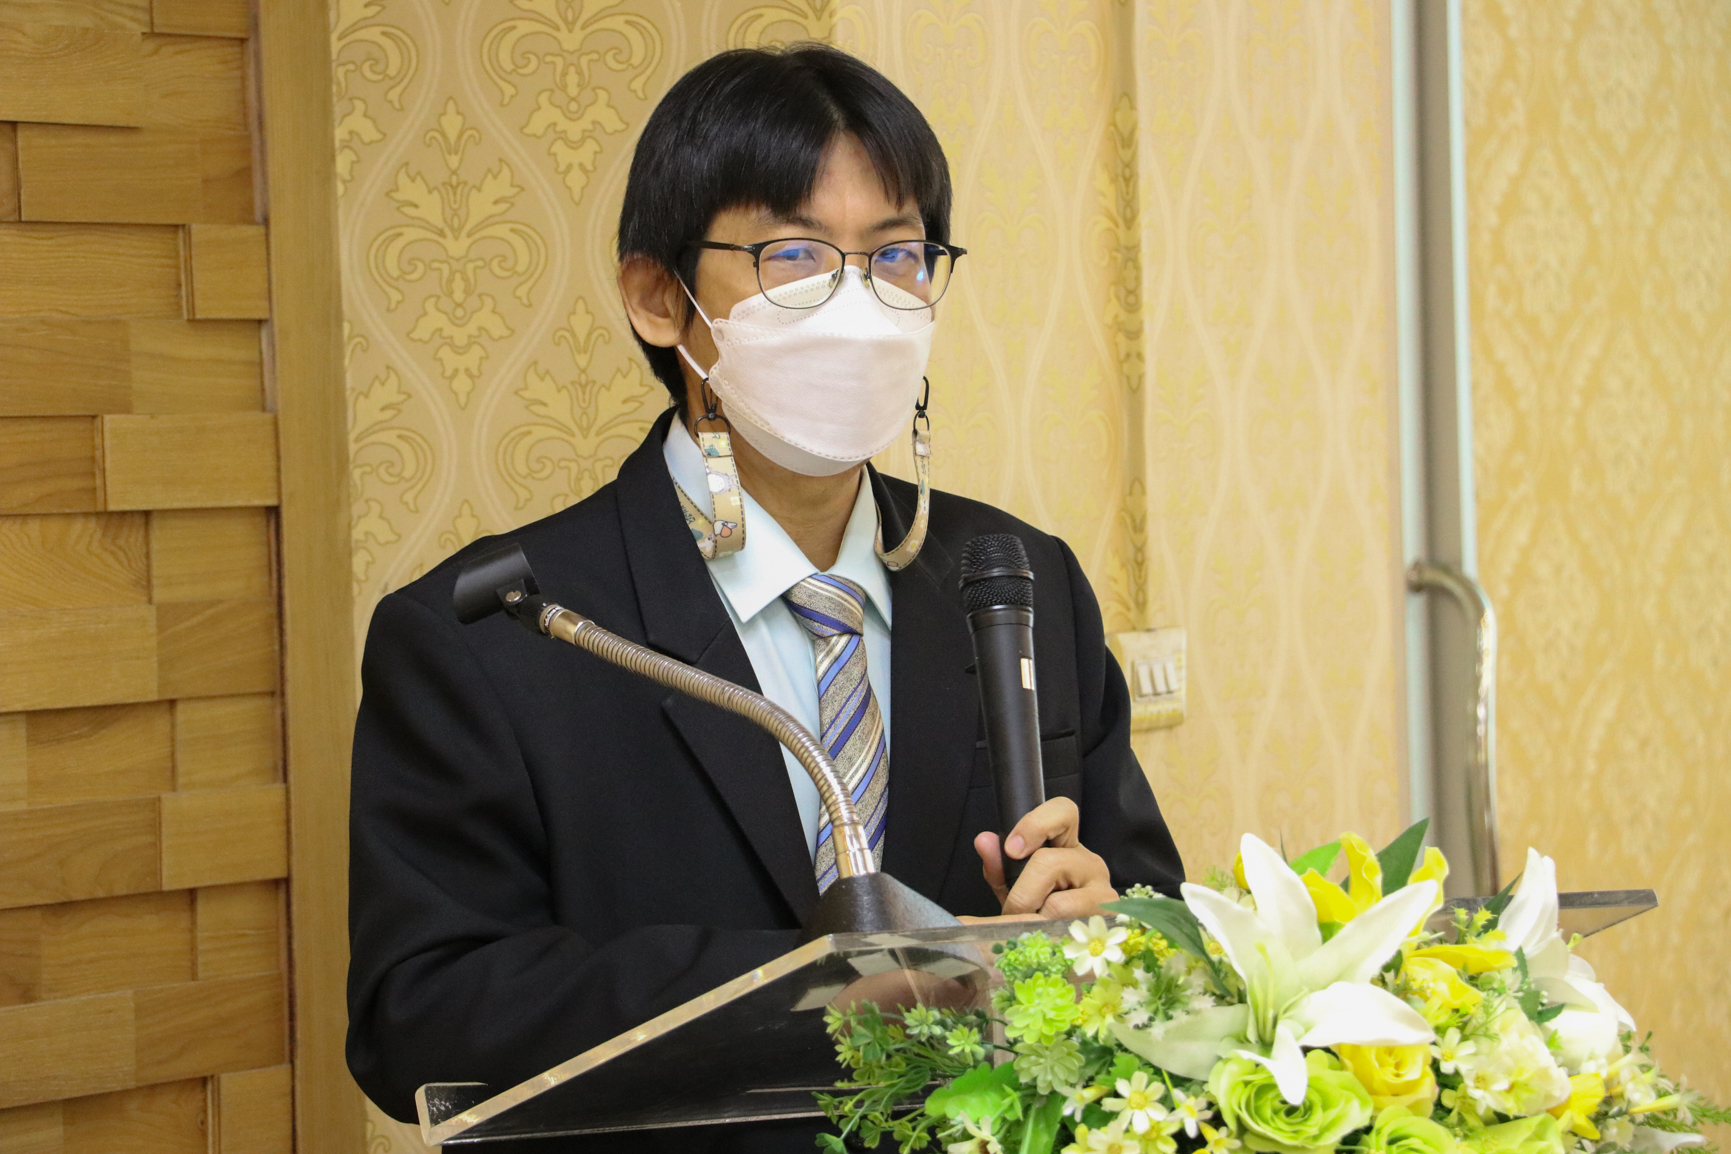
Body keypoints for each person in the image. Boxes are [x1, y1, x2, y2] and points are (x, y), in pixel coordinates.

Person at [346, 44, 1184, 1152]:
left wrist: (1108, 929)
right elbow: (422, 1011)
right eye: (793, 255)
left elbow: (1156, 922)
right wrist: (829, 989)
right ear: (660, 298)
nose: (859, 302)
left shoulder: (1019, 574)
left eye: (896, 255)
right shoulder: (499, 634)